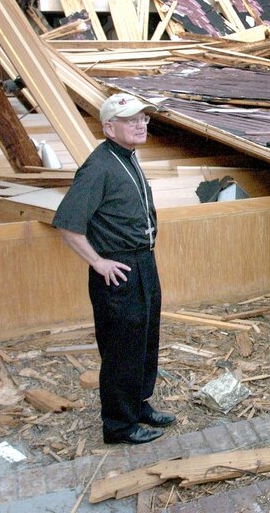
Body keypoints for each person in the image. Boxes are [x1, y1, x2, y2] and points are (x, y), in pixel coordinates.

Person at [52, 93, 175, 444]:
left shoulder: (127, 156)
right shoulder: (99, 167)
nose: (140, 124)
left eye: (143, 119)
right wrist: (98, 261)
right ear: (109, 127)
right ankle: (119, 425)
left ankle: (137, 406)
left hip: (143, 262)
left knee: (145, 337)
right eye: (130, 120)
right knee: (122, 347)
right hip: (118, 267)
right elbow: (67, 224)